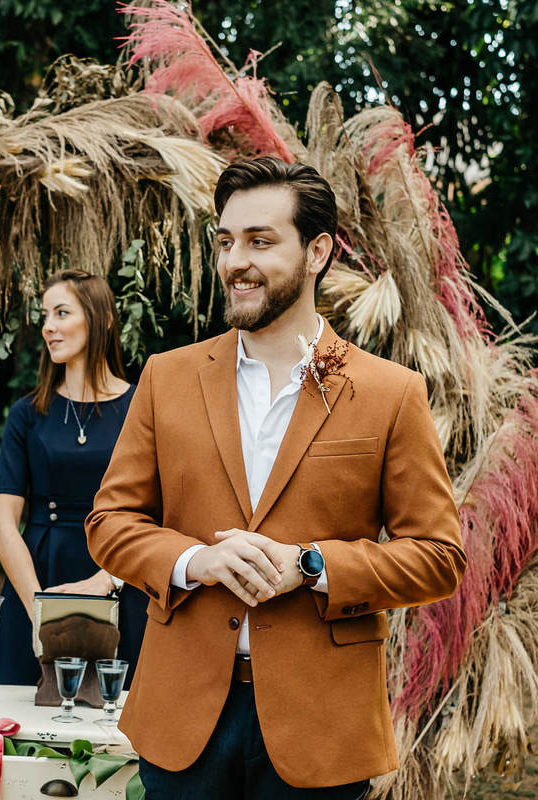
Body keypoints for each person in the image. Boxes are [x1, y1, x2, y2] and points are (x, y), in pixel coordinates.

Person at [86, 157, 466, 799]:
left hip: (322, 726)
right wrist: (197, 561)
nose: (235, 262)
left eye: (260, 241)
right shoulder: (165, 377)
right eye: (226, 242)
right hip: (182, 719)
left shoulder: (391, 393)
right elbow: (108, 524)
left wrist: (311, 566)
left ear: (317, 251)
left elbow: (439, 556)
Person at [0, 269, 147, 686]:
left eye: (61, 313)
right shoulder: (27, 414)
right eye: (45, 315)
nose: (48, 327)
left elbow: (159, 514)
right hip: (38, 577)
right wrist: (39, 608)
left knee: (115, 714)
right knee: (20, 711)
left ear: (102, 319)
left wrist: (106, 582)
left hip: (119, 577)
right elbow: (3, 526)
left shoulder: (142, 408)